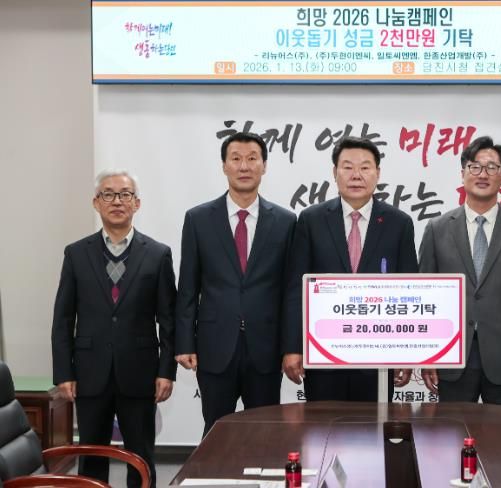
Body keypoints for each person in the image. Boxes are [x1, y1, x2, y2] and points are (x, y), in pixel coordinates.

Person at [51, 169, 176, 487]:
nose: (117, 201)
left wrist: (166, 372)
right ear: (96, 202)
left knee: (141, 456)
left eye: (125, 194)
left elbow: (168, 320)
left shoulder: (158, 254)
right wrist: (64, 372)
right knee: (91, 456)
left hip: (140, 372)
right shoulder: (76, 254)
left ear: (137, 203)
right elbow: (63, 318)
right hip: (90, 372)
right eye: (108, 194)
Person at [175, 132, 296, 436]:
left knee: (266, 432)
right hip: (214, 346)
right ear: (224, 166)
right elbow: (188, 287)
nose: (244, 166)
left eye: (252, 158)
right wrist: (185, 342)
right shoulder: (199, 219)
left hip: (266, 348)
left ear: (264, 166)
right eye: (236, 158)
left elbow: (290, 291)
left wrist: (291, 347)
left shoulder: (285, 221)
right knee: (216, 431)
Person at [283, 136, 418, 401]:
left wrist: (406, 353)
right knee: (321, 424)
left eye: (365, 167)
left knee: (374, 425)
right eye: (347, 167)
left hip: (378, 356)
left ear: (378, 173)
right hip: (323, 354)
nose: (356, 175)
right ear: (335, 172)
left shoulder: (399, 223)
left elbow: (408, 290)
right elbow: (296, 289)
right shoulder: (311, 220)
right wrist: (293, 347)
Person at [418, 136, 501, 406]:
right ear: (463, 173)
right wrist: (427, 356)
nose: (483, 174)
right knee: (453, 430)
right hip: (451, 357)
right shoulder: (437, 229)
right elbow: (425, 298)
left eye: (491, 167)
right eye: (475, 167)